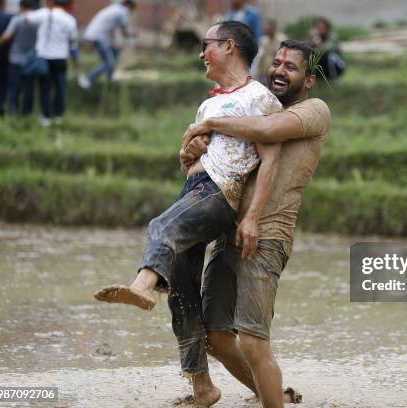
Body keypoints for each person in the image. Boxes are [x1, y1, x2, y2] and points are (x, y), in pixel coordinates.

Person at [94, 21, 283, 407]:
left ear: (229, 47)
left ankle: (143, 285)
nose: (201, 54)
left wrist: (252, 216)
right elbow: (197, 159)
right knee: (182, 292)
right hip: (195, 188)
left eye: (206, 45)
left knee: (160, 225)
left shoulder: (259, 98)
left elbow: (271, 160)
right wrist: (188, 157)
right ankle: (202, 386)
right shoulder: (208, 104)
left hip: (221, 193)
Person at [182, 40, 331, 408]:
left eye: (291, 67)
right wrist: (190, 153)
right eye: (277, 62)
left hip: (267, 234)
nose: (279, 70)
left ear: (309, 79)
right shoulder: (254, 106)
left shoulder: (314, 110)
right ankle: (275, 396)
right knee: (215, 337)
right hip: (230, 232)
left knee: (251, 340)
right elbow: (216, 166)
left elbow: (267, 131)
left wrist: (212, 121)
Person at [25, 0, 78, 126]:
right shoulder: (70, 20)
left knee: (45, 88)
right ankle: (58, 116)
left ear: (53, 3)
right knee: (60, 88)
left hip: (45, 57)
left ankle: (46, 116)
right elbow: (73, 44)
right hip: (61, 57)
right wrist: (75, 62)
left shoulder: (45, 13)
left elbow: (26, 19)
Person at [0, 0, 40, 116]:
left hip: (15, 58)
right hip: (31, 58)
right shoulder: (38, 21)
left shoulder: (17, 19)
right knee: (28, 87)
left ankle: (12, 110)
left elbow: (8, 35)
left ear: (22, 7)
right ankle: (26, 112)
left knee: (13, 86)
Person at [77, 0, 136, 89]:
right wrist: (133, 34)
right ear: (128, 6)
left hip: (95, 34)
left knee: (115, 50)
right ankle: (87, 79)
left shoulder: (114, 9)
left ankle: (110, 78)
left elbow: (111, 28)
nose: (131, 12)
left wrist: (115, 43)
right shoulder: (123, 11)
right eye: (132, 9)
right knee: (109, 63)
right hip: (98, 37)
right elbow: (125, 32)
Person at [254, 19, 286, 83]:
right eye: (267, 27)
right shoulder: (264, 40)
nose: (268, 29)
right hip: (264, 71)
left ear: (274, 28)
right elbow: (260, 56)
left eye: (270, 27)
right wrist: (257, 72)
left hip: (277, 72)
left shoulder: (281, 39)